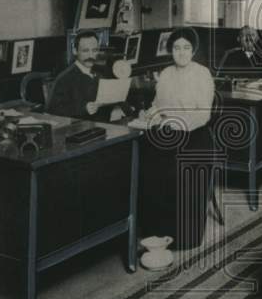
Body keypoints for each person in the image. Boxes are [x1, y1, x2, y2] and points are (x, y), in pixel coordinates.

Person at [139, 27, 217, 251]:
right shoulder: (165, 74)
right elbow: (157, 103)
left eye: (186, 48)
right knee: (151, 169)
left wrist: (178, 125)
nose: (181, 53)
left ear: (193, 51)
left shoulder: (202, 73)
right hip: (169, 136)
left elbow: (204, 115)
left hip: (195, 138)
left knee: (182, 176)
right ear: (170, 51)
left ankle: (184, 238)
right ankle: (158, 232)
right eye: (176, 48)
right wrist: (150, 115)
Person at [47, 30, 129, 122]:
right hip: (80, 130)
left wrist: (117, 107)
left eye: (94, 50)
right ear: (75, 51)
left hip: (106, 126)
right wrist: (84, 108)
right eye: (85, 51)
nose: (91, 55)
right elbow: (52, 111)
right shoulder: (64, 79)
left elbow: (115, 98)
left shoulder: (101, 72)